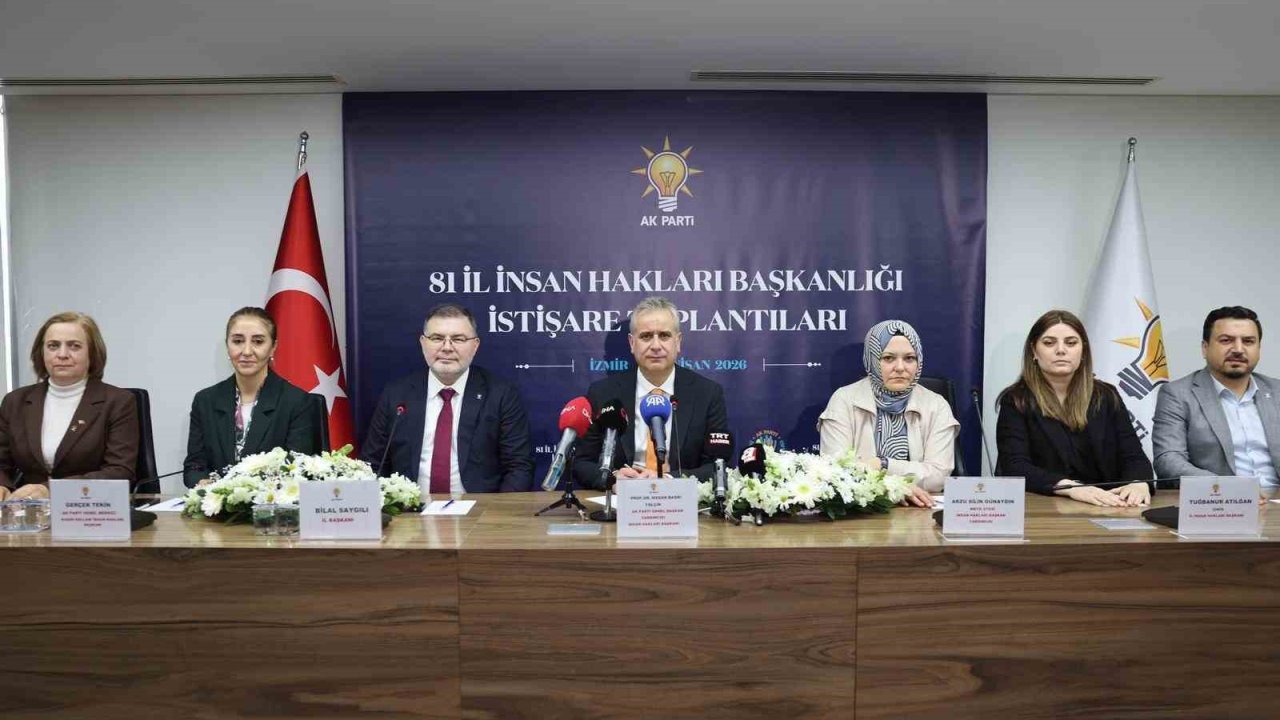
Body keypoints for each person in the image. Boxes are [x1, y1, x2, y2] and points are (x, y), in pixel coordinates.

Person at [361, 303, 533, 493]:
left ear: (475, 345)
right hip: (409, 514)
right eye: (437, 338)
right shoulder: (396, 394)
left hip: (480, 514)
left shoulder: (501, 394)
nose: (447, 347)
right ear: (423, 342)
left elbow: (519, 468)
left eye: (458, 339)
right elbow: (373, 464)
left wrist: (495, 517)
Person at [995, 309, 1153, 507]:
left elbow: (1134, 457)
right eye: (1049, 342)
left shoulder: (1105, 396)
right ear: (1034, 351)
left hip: (1107, 506)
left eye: (1071, 343)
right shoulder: (1017, 400)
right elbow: (1015, 467)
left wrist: (1139, 483)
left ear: (1083, 351)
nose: (1061, 350)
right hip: (1044, 508)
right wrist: (1071, 488)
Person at [572, 296, 729, 489]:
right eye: (646, 336)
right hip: (621, 503)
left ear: (677, 342)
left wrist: (670, 480)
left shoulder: (707, 393)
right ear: (632, 343)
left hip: (681, 505)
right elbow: (581, 463)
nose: (655, 346)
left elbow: (718, 466)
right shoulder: (603, 393)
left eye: (664, 335)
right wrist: (612, 478)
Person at [818, 319, 958, 507]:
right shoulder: (843, 400)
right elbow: (835, 470)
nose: (900, 367)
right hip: (862, 512)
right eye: (888, 358)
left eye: (909, 358)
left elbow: (938, 476)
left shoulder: (936, 405)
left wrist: (883, 464)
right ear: (872, 359)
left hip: (921, 510)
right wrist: (894, 488)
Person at [0, 312, 138, 500]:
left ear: (92, 353)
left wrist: (50, 490)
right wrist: (2, 485)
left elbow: (119, 472)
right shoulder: (15, 401)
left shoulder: (118, 402)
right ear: (41, 353)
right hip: (29, 515)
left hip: (91, 510)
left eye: (74, 346)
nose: (62, 354)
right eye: (53, 346)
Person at [184, 307, 319, 487]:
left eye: (258, 341)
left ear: (273, 348)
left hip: (272, 509)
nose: (246, 351)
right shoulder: (205, 401)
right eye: (238, 341)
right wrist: (206, 485)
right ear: (227, 346)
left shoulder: (297, 402)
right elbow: (194, 467)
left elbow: (297, 471)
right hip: (216, 510)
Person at [1153, 306, 1279, 487]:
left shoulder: (1276, 391)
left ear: (1259, 348)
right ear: (1205, 348)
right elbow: (1168, 459)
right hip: (1218, 504)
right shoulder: (1178, 394)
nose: (1238, 349)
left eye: (1248, 341)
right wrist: (1230, 489)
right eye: (1226, 340)